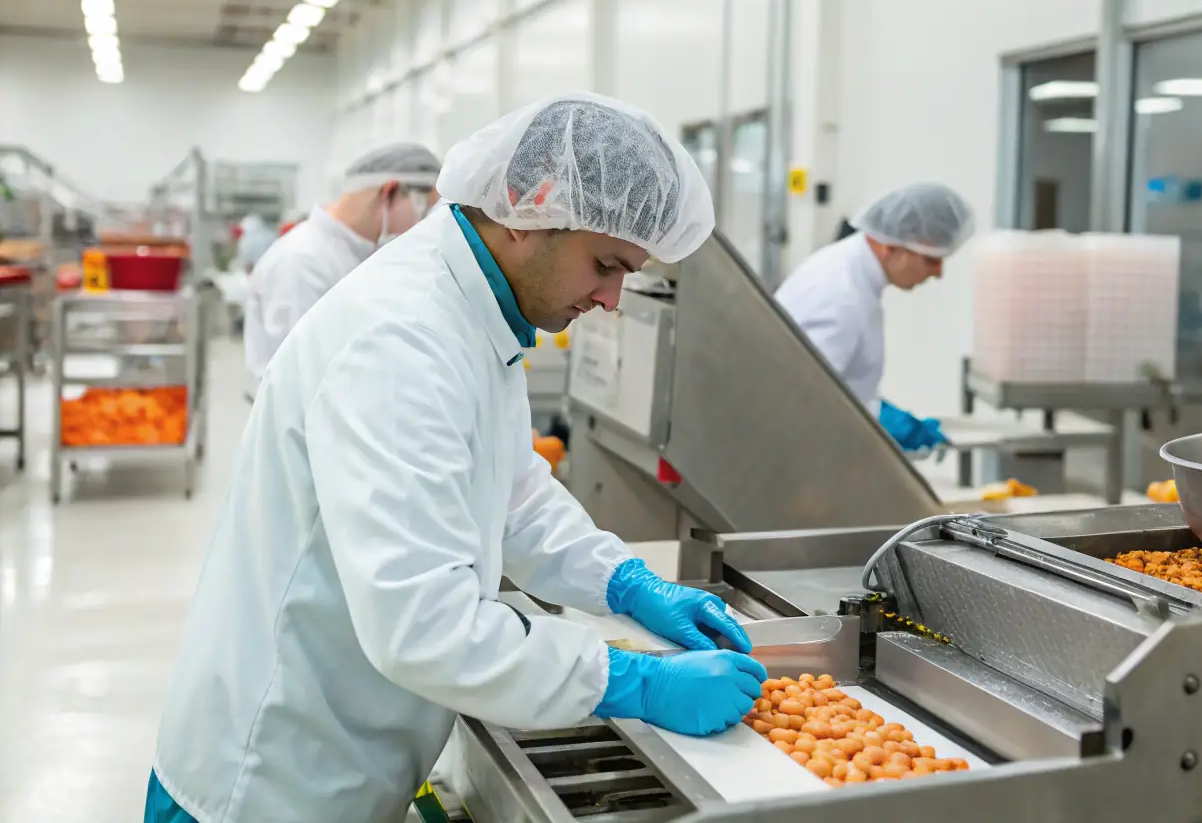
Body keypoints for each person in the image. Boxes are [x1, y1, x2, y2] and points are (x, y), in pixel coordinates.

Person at [145, 95, 764, 823]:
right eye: (604, 264)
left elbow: (512, 494)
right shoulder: (402, 339)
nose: (611, 297)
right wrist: (629, 680)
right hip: (270, 778)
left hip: (340, 748)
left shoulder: (474, 311)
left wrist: (624, 582)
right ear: (526, 209)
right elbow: (423, 623)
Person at [776, 182, 974, 453]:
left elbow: (837, 380)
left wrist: (877, 410)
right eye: (931, 259)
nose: (938, 273)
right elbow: (804, 397)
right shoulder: (837, 296)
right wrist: (880, 421)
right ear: (889, 247)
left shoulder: (853, 276)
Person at [243, 143, 441, 399]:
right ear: (389, 192)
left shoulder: (356, 254)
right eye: (422, 210)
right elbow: (303, 378)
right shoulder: (303, 262)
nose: (422, 223)